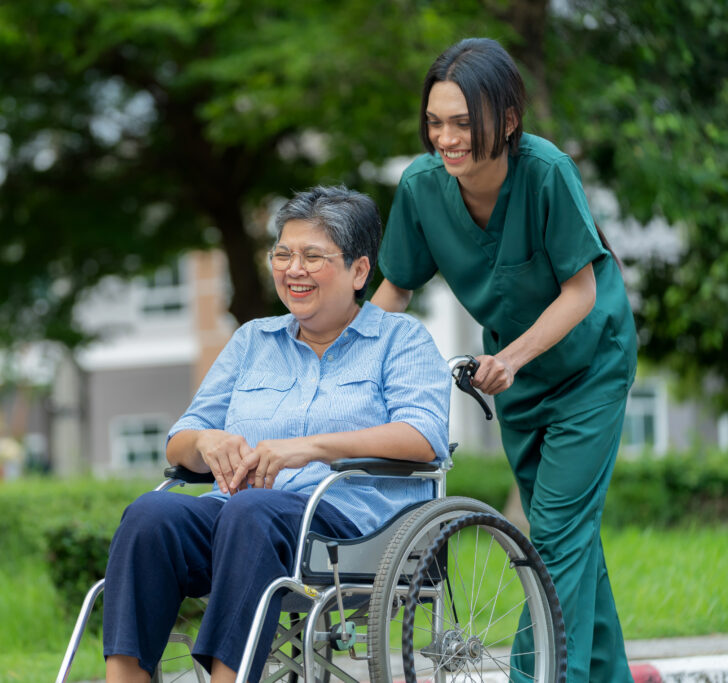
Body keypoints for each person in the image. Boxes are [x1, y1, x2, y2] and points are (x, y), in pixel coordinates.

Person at [103, 185, 451, 683]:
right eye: (283, 254)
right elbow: (181, 439)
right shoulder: (252, 341)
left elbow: (424, 436)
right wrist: (206, 442)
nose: (293, 269)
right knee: (150, 514)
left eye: (313, 256)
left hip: (353, 527)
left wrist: (310, 448)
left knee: (253, 509)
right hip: (241, 520)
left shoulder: (402, 338)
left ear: (359, 270)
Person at [370, 38, 638, 682]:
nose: (446, 138)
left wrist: (511, 357)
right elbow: (395, 290)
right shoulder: (421, 187)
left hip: (589, 367)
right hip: (514, 383)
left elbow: (583, 290)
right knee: (570, 538)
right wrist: (347, 362)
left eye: (462, 123)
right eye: (436, 122)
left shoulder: (546, 171)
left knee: (550, 538)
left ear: (507, 120)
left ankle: (537, 675)